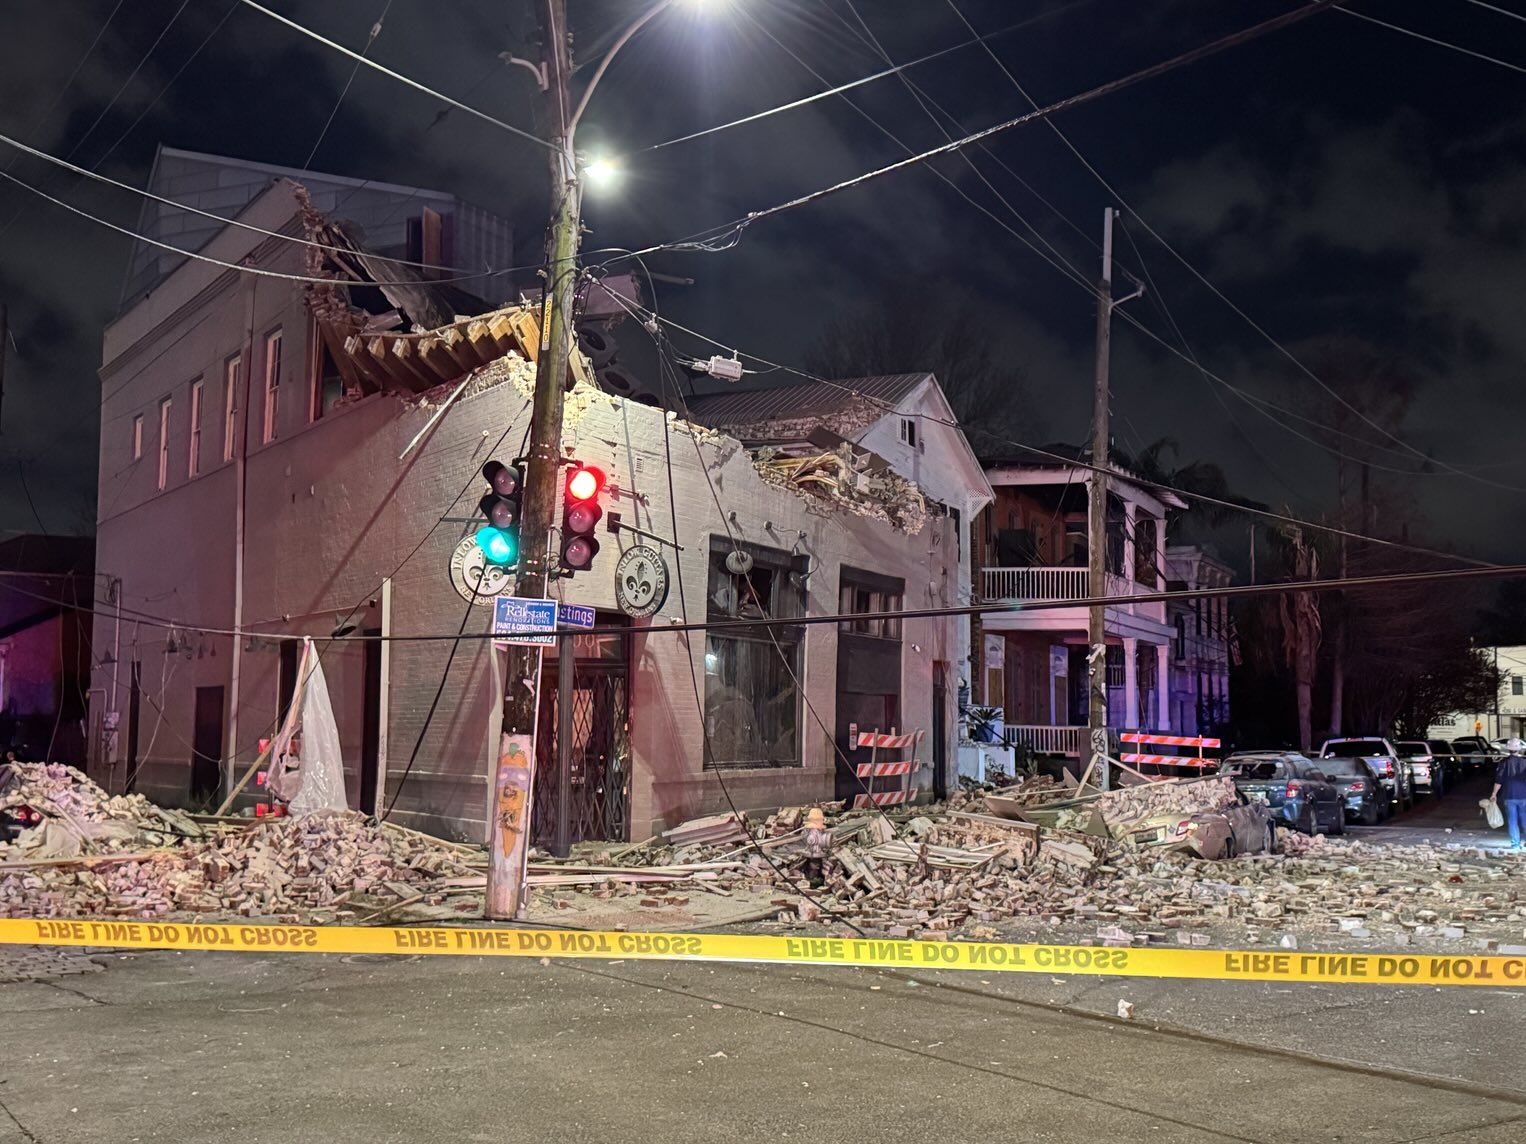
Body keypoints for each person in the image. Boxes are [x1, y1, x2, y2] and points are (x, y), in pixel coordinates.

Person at [1490, 738, 1526, 849]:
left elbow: (1499, 780)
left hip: (1509, 795)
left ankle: (1515, 844)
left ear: (1508, 749)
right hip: (1524, 795)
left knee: (1512, 821)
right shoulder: (1525, 762)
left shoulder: (1503, 762)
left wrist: (1494, 794)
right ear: (1519, 750)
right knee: (1525, 819)